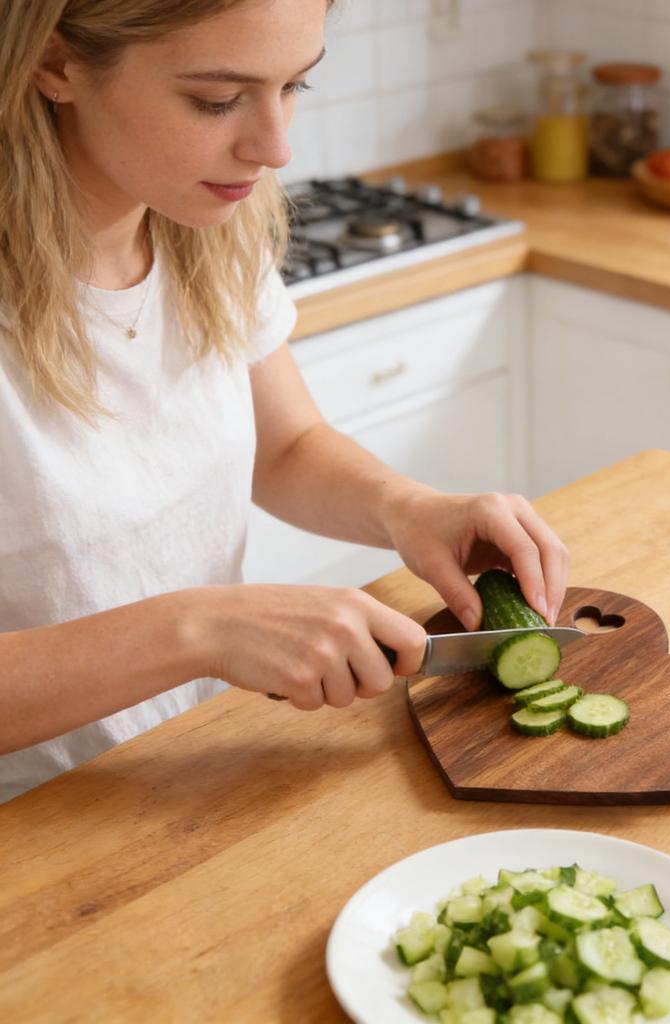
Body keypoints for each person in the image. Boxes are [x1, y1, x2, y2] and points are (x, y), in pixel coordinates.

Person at [0, 0, 569, 803]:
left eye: (295, 85)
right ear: (55, 63)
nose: (275, 147)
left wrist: (410, 508)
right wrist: (200, 630)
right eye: (216, 100)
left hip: (177, 771)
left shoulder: (203, 226)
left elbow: (287, 445)